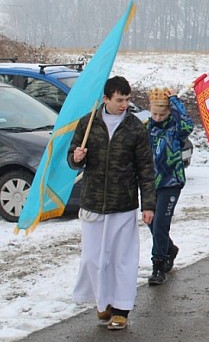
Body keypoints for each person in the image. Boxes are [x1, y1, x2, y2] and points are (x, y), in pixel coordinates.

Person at [67, 76, 156, 331]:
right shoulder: (88, 124)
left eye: (127, 100)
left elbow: (146, 169)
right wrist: (77, 157)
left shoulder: (135, 128)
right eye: (119, 100)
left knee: (122, 259)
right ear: (105, 99)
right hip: (93, 202)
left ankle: (121, 309)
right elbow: (73, 159)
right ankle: (102, 300)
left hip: (124, 204)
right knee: (94, 258)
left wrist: (148, 204)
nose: (124, 105)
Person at [146, 86, 194, 285]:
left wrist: (174, 101)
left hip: (171, 182)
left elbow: (187, 124)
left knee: (160, 225)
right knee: (151, 222)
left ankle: (158, 266)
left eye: (162, 114)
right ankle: (169, 249)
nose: (158, 117)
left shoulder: (176, 128)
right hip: (150, 183)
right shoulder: (146, 128)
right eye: (154, 113)